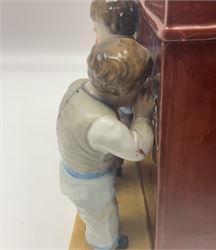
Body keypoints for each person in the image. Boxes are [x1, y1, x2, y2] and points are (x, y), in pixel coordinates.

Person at [57, 38, 154, 250]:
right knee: (103, 217)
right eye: (137, 89)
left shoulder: (77, 86)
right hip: (90, 185)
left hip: (71, 173)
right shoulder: (101, 124)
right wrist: (141, 117)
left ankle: (94, 229)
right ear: (121, 92)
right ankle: (105, 245)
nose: (140, 93)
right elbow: (136, 150)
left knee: (91, 213)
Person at [90, 0, 139, 176]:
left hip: (122, 108)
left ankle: (114, 166)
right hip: (111, 105)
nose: (94, 32)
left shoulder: (124, 54)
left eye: (97, 28)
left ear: (113, 28)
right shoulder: (106, 49)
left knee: (118, 139)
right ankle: (113, 165)